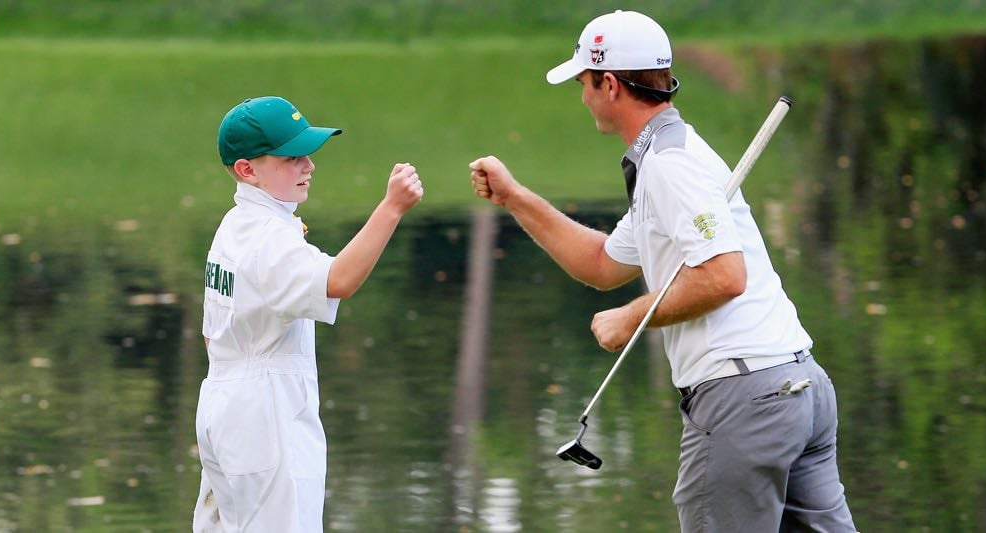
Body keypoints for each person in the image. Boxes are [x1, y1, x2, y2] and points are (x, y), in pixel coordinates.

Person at [468, 10, 855, 533]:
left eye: (584, 82)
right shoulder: (669, 158)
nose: (582, 95)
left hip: (743, 399)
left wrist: (629, 320)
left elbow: (724, 276)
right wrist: (516, 198)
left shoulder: (671, 165)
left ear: (609, 85)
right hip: (798, 386)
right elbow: (604, 264)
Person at [193, 96, 423, 532]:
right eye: (291, 157)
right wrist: (391, 207)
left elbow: (212, 335)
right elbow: (338, 280)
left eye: (308, 154)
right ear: (247, 170)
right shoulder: (265, 237)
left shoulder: (235, 226)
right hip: (266, 414)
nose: (309, 166)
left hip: (222, 402)